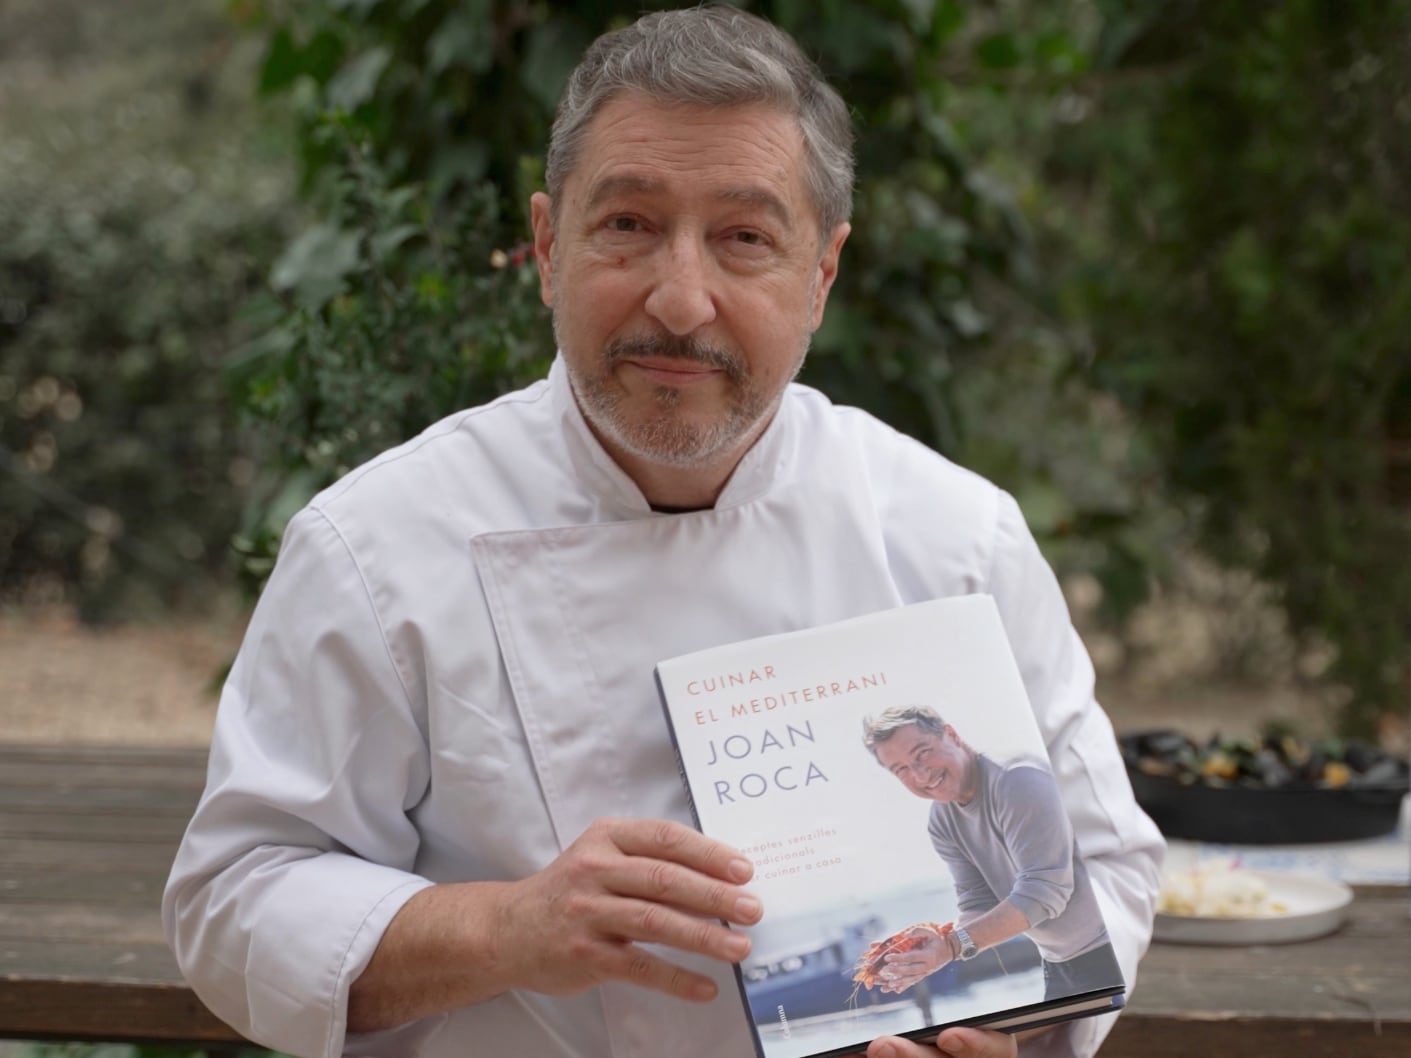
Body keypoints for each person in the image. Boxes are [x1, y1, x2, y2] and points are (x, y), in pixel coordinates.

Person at [162, 7, 1164, 1058]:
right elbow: (237, 895)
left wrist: (1003, 1031)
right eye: (629, 224)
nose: (681, 301)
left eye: (743, 238)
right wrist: (505, 927)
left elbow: (1103, 865)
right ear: (549, 247)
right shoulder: (375, 548)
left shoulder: (957, 539)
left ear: (821, 273)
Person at [861, 706, 1123, 1005]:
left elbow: (1046, 890)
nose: (919, 774)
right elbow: (978, 900)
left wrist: (951, 946)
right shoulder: (942, 819)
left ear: (952, 735)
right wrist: (935, 941)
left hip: (1107, 950)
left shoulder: (1017, 779)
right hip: (1057, 962)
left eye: (922, 753)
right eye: (902, 769)